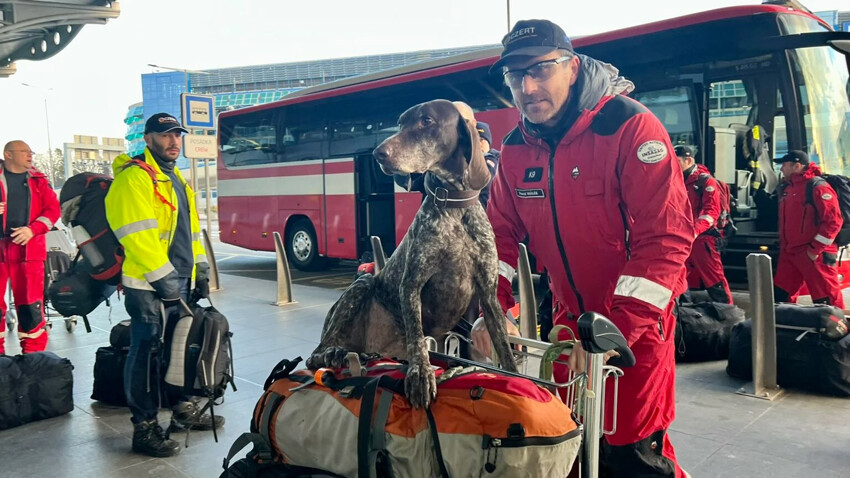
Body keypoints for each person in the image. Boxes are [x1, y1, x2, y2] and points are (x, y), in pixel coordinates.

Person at [480, 19, 693, 477]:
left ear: (572, 67)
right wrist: (493, 309)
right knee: (572, 447)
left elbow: (667, 238)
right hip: (568, 330)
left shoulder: (629, 126)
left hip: (635, 331)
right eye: (515, 76)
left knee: (633, 452)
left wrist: (616, 331)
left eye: (539, 70)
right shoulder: (516, 149)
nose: (527, 87)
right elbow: (497, 236)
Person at [105, 113, 221, 457]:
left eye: (177, 135)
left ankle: (182, 409)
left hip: (178, 280)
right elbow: (136, 237)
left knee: (177, 349)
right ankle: (144, 427)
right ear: (148, 138)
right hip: (147, 284)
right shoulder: (134, 178)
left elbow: (190, 231)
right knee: (146, 352)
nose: (174, 141)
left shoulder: (176, 179)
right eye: (165, 134)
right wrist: (165, 281)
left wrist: (200, 267)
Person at [0, 140, 60, 354]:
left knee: (30, 305)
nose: (30, 155)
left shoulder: (39, 180)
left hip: (29, 250)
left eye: (30, 151)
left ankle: (33, 357)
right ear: (8, 155)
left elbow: (53, 210)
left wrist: (32, 230)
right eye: (24, 151)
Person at [773, 150, 844, 307]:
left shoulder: (818, 187)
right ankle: (784, 322)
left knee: (826, 301)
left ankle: (835, 323)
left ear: (797, 166)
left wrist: (814, 250)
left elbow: (833, 222)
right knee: (780, 297)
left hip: (813, 254)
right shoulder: (789, 188)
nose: (781, 169)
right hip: (791, 252)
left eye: (784, 165)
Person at [676, 145, 733, 304]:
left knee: (713, 279)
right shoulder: (677, 181)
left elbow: (711, 211)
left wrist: (694, 231)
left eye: (677, 161)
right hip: (684, 238)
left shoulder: (705, 181)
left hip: (703, 239)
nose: (673, 165)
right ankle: (684, 312)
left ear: (688, 160)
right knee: (679, 278)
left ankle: (727, 313)